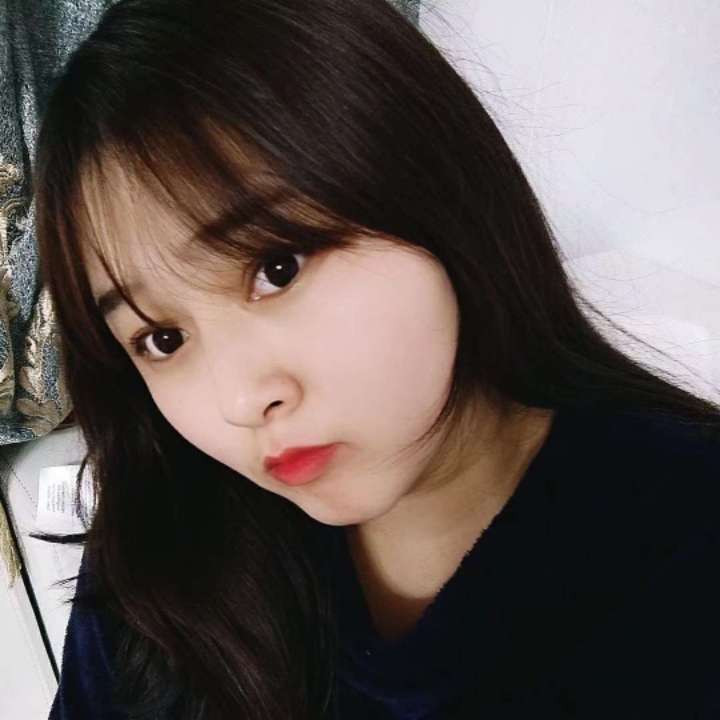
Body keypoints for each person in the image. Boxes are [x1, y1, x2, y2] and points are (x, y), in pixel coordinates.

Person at [29, 0, 720, 718]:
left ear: (432, 184)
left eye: (277, 268)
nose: (239, 400)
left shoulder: (685, 543)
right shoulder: (161, 554)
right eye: (163, 339)